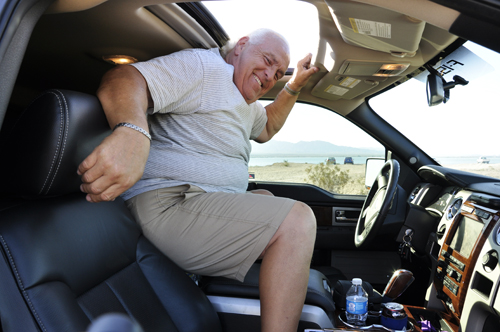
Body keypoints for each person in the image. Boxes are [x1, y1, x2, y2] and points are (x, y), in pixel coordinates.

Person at [78, 28, 319, 332]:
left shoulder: (245, 101)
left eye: (277, 72)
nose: (270, 75)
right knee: (297, 221)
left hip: (195, 202)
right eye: (267, 60)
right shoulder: (206, 68)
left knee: (268, 200)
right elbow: (123, 79)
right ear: (241, 45)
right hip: (168, 203)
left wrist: (294, 84)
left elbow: (268, 126)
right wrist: (132, 132)